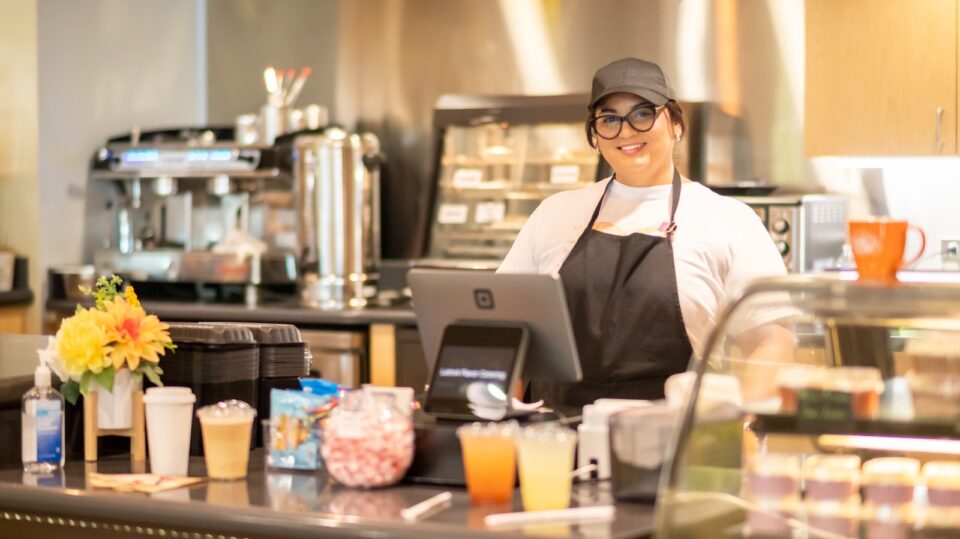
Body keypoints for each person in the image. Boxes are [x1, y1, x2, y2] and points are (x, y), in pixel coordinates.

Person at [498, 57, 794, 413]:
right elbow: (505, 330)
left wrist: (740, 422)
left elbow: (772, 339)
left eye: (642, 114)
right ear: (595, 137)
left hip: (673, 450)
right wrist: (498, 417)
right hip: (553, 450)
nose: (626, 131)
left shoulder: (728, 221)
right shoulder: (555, 214)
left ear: (676, 124)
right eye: (609, 119)